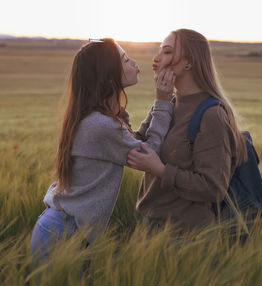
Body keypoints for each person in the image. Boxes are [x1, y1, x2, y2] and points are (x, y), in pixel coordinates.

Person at [30, 38, 175, 262]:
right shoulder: (101, 126)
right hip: (63, 235)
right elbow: (150, 153)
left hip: (61, 230)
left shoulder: (92, 118)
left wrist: (161, 103)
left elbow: (133, 139)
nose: (135, 63)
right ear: (109, 76)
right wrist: (163, 102)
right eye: (126, 60)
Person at [127, 29, 248, 233]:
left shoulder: (212, 115)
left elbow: (214, 186)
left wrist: (161, 170)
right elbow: (137, 147)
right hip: (151, 226)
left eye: (166, 52)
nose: (156, 59)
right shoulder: (168, 101)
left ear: (188, 62)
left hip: (187, 235)